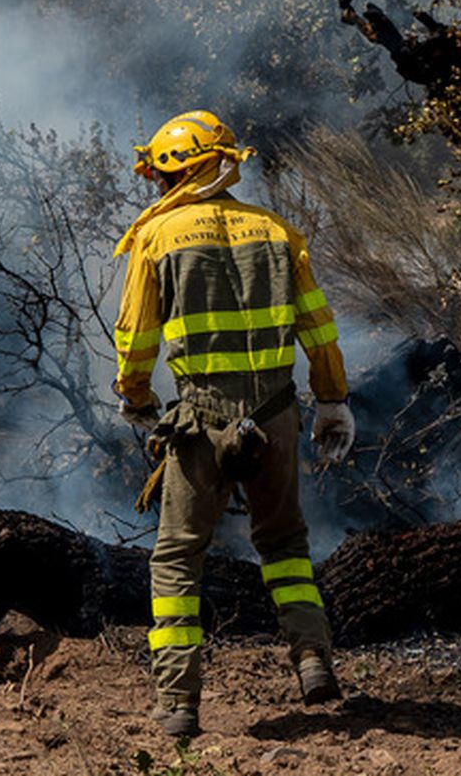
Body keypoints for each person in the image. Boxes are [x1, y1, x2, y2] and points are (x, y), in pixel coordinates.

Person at [112, 111, 356, 739]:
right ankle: (312, 661)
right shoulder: (277, 231)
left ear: (175, 170)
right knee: (284, 545)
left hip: (200, 424)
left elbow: (135, 336)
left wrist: (134, 396)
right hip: (276, 417)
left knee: (175, 559)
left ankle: (178, 704)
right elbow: (319, 326)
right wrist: (331, 399)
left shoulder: (159, 237)